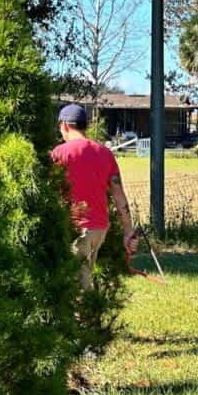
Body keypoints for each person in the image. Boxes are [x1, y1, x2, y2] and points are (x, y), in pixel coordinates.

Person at [51, 103, 136, 289]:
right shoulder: (105, 154)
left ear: (64, 125)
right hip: (99, 229)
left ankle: (83, 317)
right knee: (85, 275)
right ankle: (86, 314)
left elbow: (50, 192)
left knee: (78, 288)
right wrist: (128, 231)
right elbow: (119, 196)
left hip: (76, 229)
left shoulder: (59, 153)